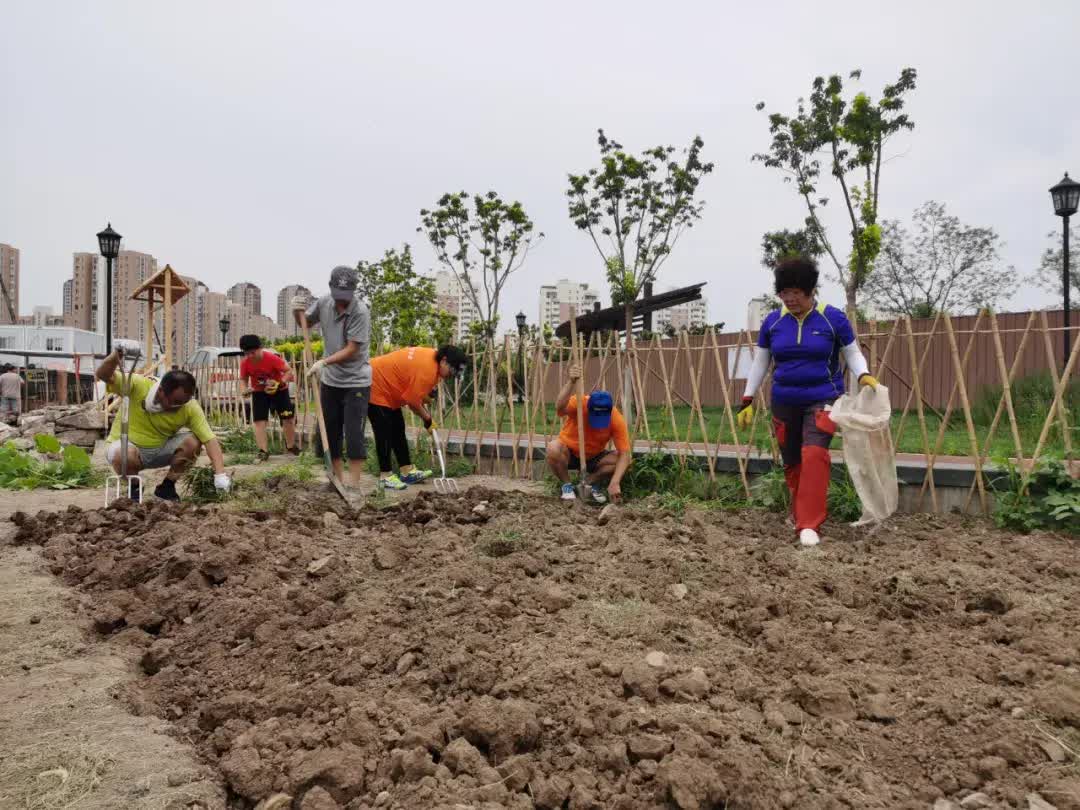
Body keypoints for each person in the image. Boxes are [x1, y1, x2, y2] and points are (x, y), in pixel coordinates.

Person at [737, 256, 878, 548]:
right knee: (793, 462)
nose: (790, 299)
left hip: (822, 398)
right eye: (784, 293)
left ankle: (809, 524)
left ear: (810, 291)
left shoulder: (833, 318)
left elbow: (851, 352)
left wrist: (863, 375)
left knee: (814, 454)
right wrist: (747, 398)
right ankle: (801, 513)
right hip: (784, 400)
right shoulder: (773, 322)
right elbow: (761, 361)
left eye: (796, 293)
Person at [96, 340, 231, 502]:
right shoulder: (139, 385)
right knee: (122, 454)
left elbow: (210, 440)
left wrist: (220, 475)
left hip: (160, 450)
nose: (177, 407)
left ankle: (167, 488)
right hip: (128, 449)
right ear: (161, 391)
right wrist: (115, 355)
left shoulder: (189, 407)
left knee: (194, 441)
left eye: (183, 402)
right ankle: (134, 487)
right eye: (174, 402)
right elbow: (103, 375)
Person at [293, 266, 371, 486]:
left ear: (354, 291)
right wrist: (296, 311)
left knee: (354, 434)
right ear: (331, 288)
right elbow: (305, 323)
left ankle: (354, 486)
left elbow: (353, 348)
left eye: (345, 297)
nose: (341, 302)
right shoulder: (325, 303)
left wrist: (324, 362)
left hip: (356, 381)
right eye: (338, 296)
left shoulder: (360, 311)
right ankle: (336, 481)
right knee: (330, 431)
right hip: (331, 381)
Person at [368, 345, 468, 489]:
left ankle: (407, 472)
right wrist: (427, 419)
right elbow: (412, 402)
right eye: (451, 372)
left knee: (398, 428)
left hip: (390, 388)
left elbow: (412, 381)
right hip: (375, 383)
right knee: (383, 431)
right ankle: (385, 476)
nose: (450, 376)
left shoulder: (433, 360)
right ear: (444, 360)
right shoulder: (428, 370)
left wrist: (423, 395)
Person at [546, 363, 632, 503]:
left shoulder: (616, 419)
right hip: (569, 453)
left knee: (622, 461)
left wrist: (615, 482)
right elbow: (560, 408)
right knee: (553, 448)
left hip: (594, 456)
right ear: (589, 408)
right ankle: (567, 486)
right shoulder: (579, 404)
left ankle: (588, 483)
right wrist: (571, 381)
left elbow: (624, 453)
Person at [239, 334, 299, 461]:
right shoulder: (245, 363)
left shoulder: (272, 359)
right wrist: (244, 390)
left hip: (279, 390)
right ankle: (263, 451)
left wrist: (280, 382)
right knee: (259, 421)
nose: (250, 356)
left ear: (260, 348)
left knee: (287, 418)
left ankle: (291, 447)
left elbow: (289, 371)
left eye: (253, 352)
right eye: (247, 353)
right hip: (259, 393)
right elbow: (243, 380)